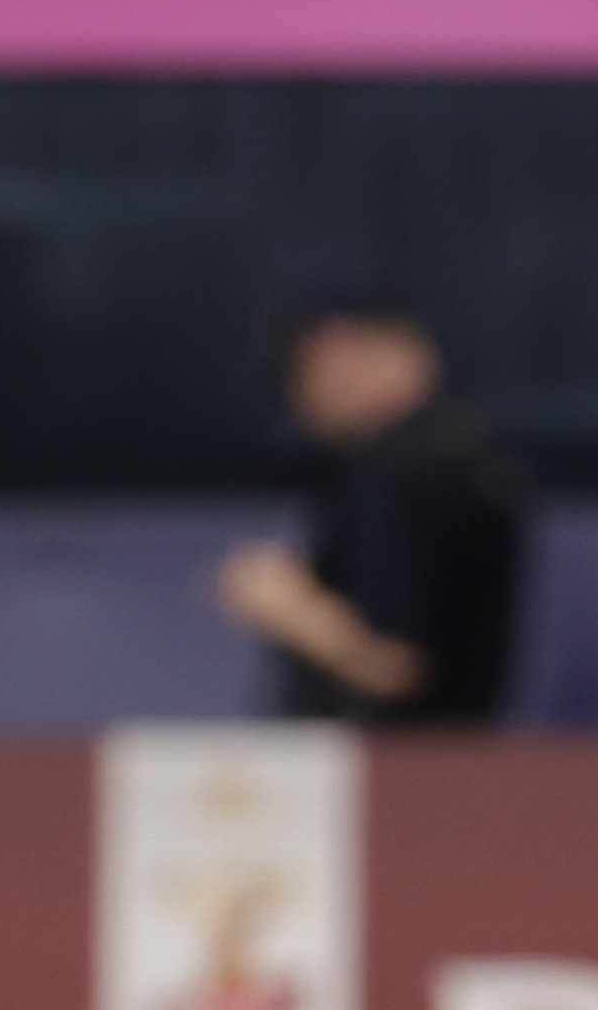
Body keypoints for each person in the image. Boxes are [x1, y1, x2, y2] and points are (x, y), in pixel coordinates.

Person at [214, 298, 531, 726]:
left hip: (389, 771)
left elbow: (394, 666)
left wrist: (286, 605)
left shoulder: (392, 470)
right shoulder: (468, 456)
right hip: (455, 759)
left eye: (313, 367)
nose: (301, 396)